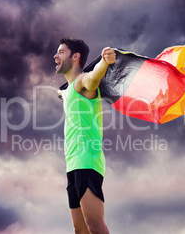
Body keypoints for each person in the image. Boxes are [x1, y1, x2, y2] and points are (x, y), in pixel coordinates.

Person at [54, 38, 116, 234]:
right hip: (73, 163)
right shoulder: (70, 89)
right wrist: (62, 93)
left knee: (95, 227)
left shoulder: (83, 81)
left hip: (86, 160)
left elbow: (93, 78)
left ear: (75, 56)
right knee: (80, 230)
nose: (55, 56)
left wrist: (104, 62)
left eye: (61, 52)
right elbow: (66, 92)